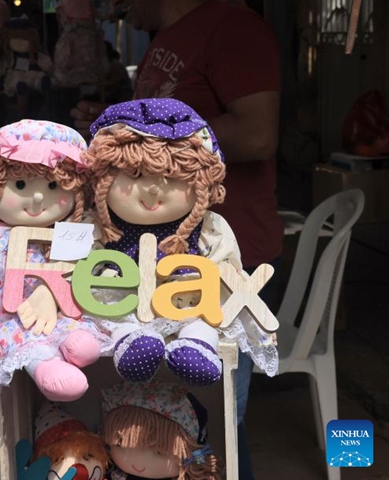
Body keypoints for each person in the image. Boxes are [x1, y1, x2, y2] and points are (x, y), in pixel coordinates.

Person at [71, 1, 281, 479]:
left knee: (221, 418)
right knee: (139, 419)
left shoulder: (232, 28)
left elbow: (259, 131)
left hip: (211, 265)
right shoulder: (162, 39)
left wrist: (166, 147)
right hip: (126, 304)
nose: (113, 8)